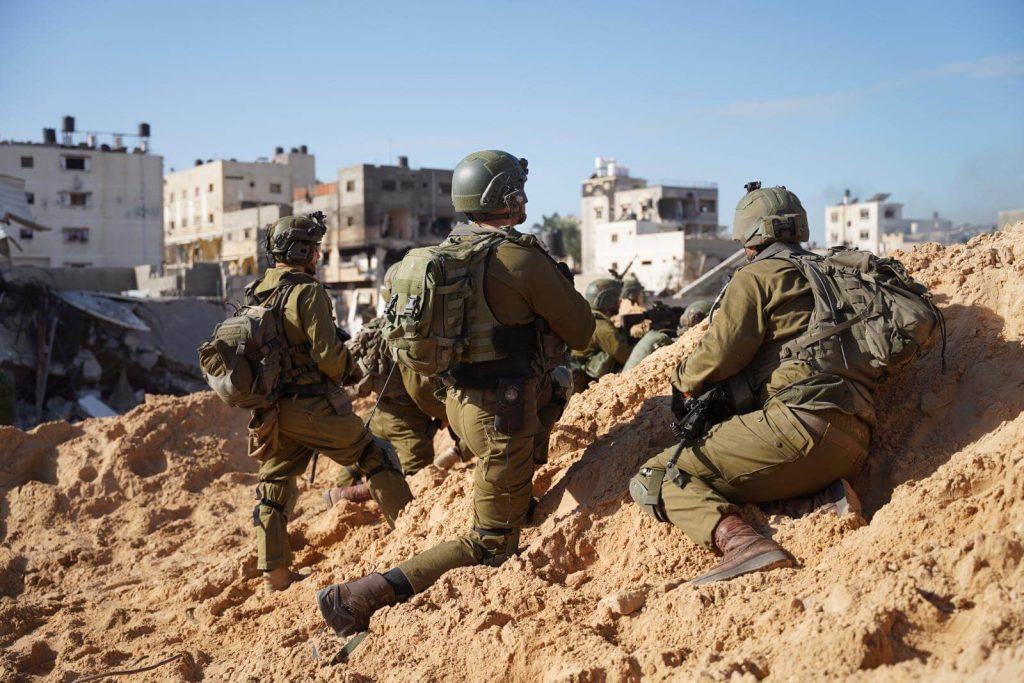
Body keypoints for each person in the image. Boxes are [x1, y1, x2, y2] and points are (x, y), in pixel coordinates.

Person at [315, 150, 594, 635]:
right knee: (491, 544)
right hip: (502, 415)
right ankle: (359, 596)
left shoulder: (443, 256)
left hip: (458, 406)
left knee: (552, 392)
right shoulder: (518, 257)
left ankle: (515, 498)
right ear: (508, 197)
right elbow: (583, 332)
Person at [629, 183, 874, 585]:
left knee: (653, 477)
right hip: (852, 440)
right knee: (753, 454)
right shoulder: (834, 272)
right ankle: (821, 501)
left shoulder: (757, 276)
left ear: (751, 234)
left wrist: (680, 380)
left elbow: (718, 356)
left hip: (798, 431)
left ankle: (745, 545)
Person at [249, 215, 413, 592]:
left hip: (274, 409)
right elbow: (328, 355)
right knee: (377, 455)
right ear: (301, 251)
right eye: (315, 247)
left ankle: (275, 576)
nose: (319, 254)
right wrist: (351, 370)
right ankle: (411, 537)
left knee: (274, 483)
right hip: (312, 406)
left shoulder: (257, 290)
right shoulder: (307, 292)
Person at [325, 264, 465, 504]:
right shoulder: (413, 333)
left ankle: (340, 495)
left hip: (380, 412)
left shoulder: (384, 326)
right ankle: (356, 494)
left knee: (361, 455)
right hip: (408, 423)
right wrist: (446, 413)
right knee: (416, 480)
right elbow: (420, 391)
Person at [570, 278, 633, 392]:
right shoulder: (602, 328)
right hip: (582, 385)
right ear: (607, 300)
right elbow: (628, 358)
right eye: (616, 298)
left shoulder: (588, 318)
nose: (619, 302)